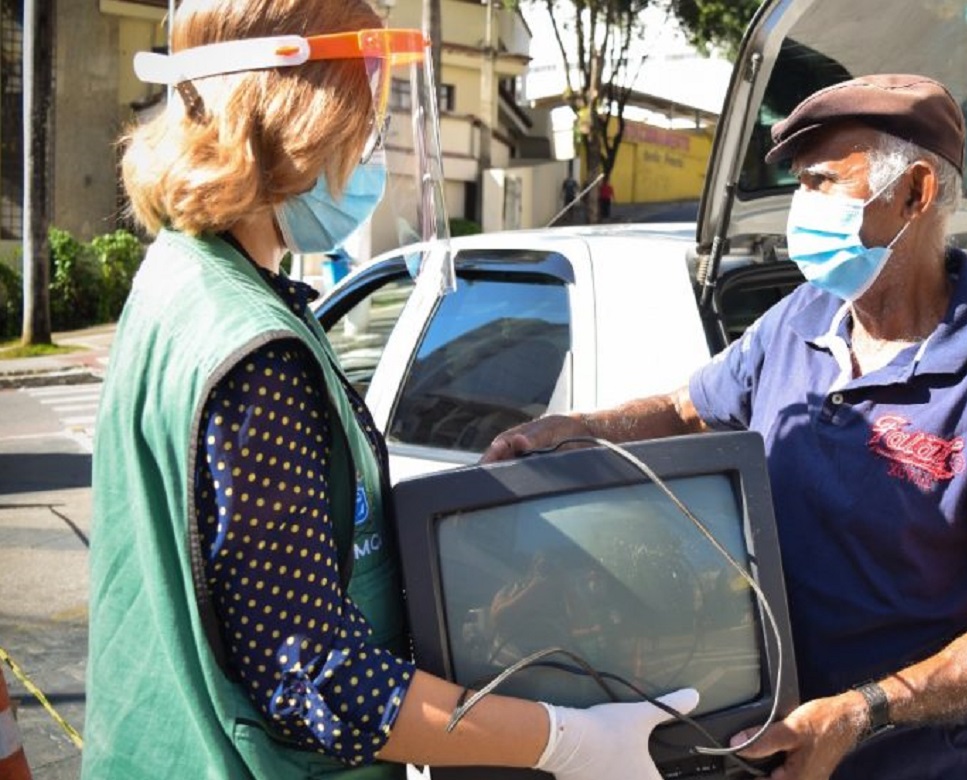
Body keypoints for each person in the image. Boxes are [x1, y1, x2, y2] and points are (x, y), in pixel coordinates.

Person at [81, 1, 696, 778]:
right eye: (362, 122)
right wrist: (563, 739)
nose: (370, 150)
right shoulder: (251, 351)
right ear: (296, 114)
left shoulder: (181, 279)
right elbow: (319, 678)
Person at [483, 74, 967, 780]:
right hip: (761, 744)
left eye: (823, 182)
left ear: (915, 194)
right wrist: (576, 426)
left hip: (912, 763)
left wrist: (862, 710)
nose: (801, 207)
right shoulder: (800, 320)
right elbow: (687, 408)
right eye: (799, 184)